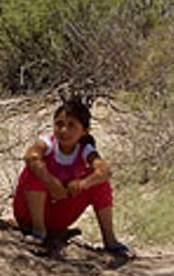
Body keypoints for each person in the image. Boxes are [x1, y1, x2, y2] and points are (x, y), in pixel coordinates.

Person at [12, 95, 132, 259]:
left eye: (71, 126)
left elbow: (104, 171)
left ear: (84, 131)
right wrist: (51, 182)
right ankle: (38, 233)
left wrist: (83, 183)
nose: (64, 130)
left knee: (100, 183)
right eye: (59, 124)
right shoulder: (47, 144)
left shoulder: (85, 151)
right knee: (34, 169)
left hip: (58, 216)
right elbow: (30, 156)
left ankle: (110, 241)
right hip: (29, 215)